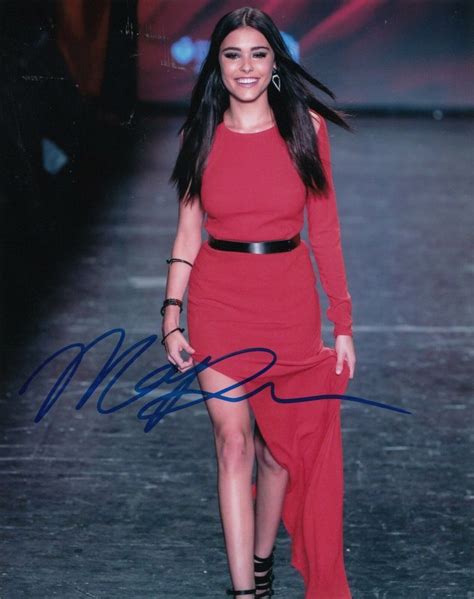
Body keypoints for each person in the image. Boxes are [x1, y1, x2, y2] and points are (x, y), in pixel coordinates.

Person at [162, 7, 357, 598]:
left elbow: (325, 230)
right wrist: (171, 314)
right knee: (234, 443)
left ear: (275, 62)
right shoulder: (199, 135)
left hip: (289, 305)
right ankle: (244, 592)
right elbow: (188, 231)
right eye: (232, 54)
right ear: (217, 65)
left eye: (257, 53)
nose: (245, 66)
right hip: (218, 302)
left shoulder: (307, 129)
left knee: (277, 453)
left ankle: (263, 561)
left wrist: (342, 323)